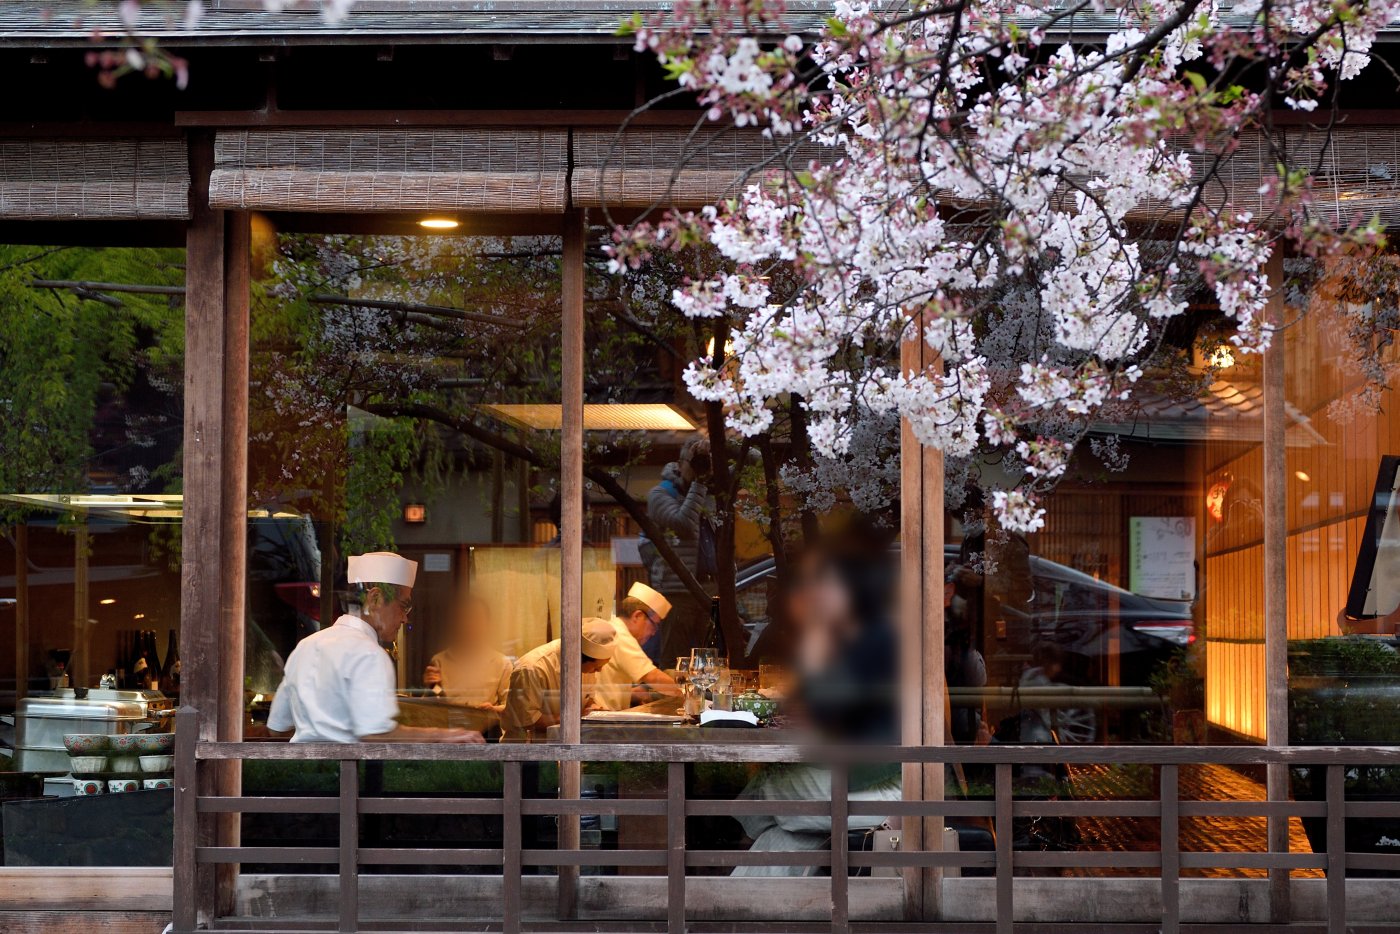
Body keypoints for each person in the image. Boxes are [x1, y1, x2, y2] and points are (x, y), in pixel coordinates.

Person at [267, 552, 483, 744]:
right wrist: (443, 735)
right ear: (375, 598)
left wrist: (315, 736)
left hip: (299, 774)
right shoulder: (369, 654)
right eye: (404, 605)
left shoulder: (305, 647)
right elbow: (376, 733)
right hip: (347, 774)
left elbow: (277, 728)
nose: (405, 618)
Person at [644, 437, 717, 664]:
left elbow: (754, 461)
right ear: (679, 464)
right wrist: (700, 484)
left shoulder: (711, 491)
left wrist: (725, 446)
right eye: (693, 463)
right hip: (678, 592)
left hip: (712, 590)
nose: (698, 469)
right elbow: (683, 525)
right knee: (676, 661)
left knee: (713, 662)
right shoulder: (660, 494)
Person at [499, 618, 616, 738]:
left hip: (565, 740)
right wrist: (577, 717)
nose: (599, 671)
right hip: (530, 745)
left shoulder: (586, 665)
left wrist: (592, 709)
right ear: (578, 658)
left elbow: (588, 698)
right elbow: (527, 721)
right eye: (596, 668)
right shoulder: (532, 668)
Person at [593, 582, 681, 711]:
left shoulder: (615, 627)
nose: (653, 632)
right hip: (604, 716)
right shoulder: (620, 634)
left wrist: (633, 695)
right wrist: (686, 694)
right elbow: (654, 677)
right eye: (654, 624)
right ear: (637, 616)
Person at [423, 593, 511, 713]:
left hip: (485, 724)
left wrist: (493, 709)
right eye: (465, 618)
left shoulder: (501, 663)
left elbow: (510, 706)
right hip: (450, 723)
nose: (470, 624)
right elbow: (431, 705)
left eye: (477, 618)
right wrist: (430, 687)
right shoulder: (440, 661)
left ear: (486, 623)